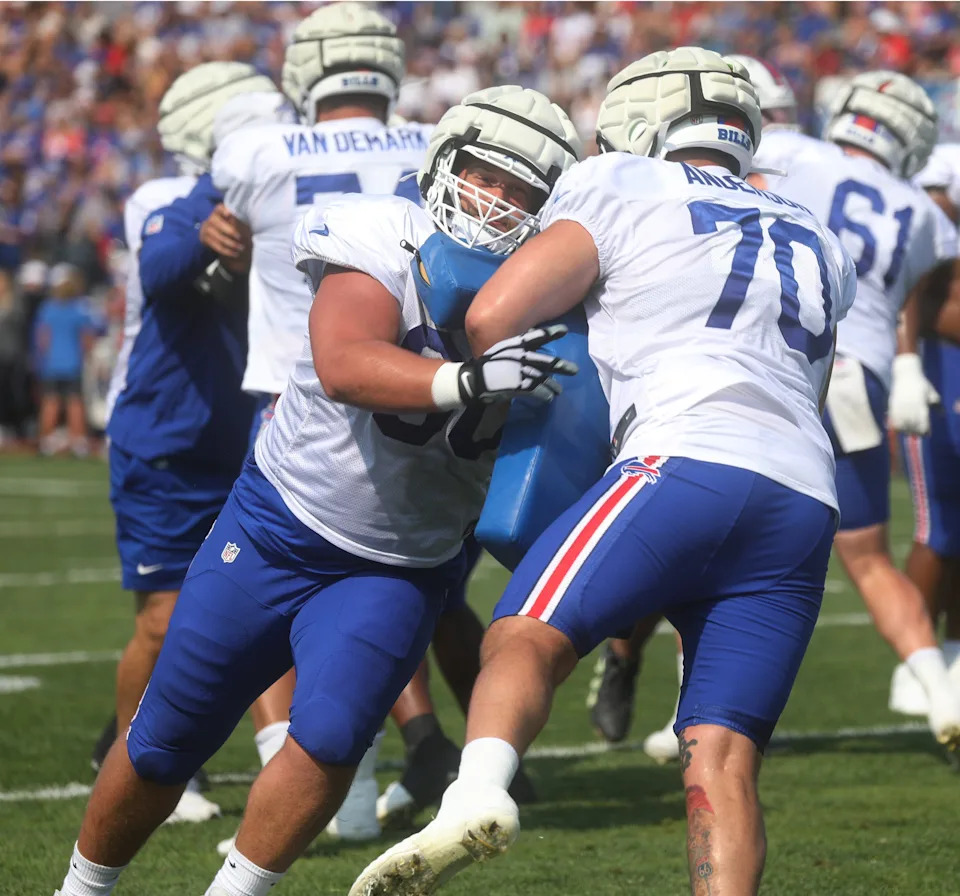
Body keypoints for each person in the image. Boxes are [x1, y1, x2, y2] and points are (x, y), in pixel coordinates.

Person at [349, 46, 857, 896]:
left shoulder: (622, 182)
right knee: (721, 758)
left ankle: (472, 797)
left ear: (639, 119)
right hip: (803, 497)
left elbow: (495, 314)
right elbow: (809, 384)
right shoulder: (817, 234)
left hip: (683, 455)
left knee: (524, 637)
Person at [52, 84, 580, 896]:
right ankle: (81, 889)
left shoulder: (561, 294)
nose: (493, 199)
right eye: (482, 173)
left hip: (399, 561)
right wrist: (466, 379)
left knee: (331, 737)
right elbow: (344, 363)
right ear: (444, 162)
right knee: (164, 738)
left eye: (519, 190)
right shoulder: (379, 229)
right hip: (279, 526)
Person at [208, 2, 434, 848]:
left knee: (271, 598)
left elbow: (220, 228)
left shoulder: (256, 150)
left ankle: (309, 783)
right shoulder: (428, 142)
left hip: (293, 398)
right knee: (380, 592)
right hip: (411, 394)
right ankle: (364, 780)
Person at [588, 51, 805, 763]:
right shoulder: (634, 186)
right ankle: (623, 655)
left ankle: (685, 703)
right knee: (659, 558)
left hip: (725, 397)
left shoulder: (775, 200)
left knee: (705, 552)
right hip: (646, 380)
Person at [753, 71, 960, 743]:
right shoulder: (926, 216)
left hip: (775, 359)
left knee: (723, 534)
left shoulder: (795, 154)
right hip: (859, 374)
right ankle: (936, 688)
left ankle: (683, 708)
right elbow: (915, 297)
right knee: (869, 556)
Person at [100, 61, 280, 824]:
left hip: (242, 442)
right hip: (164, 440)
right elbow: (161, 265)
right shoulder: (172, 201)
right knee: (163, 620)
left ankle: (284, 761)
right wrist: (211, 224)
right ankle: (140, 760)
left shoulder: (287, 206)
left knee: (260, 612)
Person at [886, 145, 960, 714]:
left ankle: (952, 653)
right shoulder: (930, 232)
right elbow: (911, 301)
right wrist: (908, 364)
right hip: (938, 374)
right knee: (937, 524)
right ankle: (917, 658)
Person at [33, 263, 97, 457]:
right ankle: (78, 442)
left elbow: (42, 339)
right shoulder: (80, 309)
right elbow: (87, 339)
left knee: (51, 402)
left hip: (52, 363)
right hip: (73, 362)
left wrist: (42, 359)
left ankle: (46, 441)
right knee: (74, 402)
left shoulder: (47, 309)